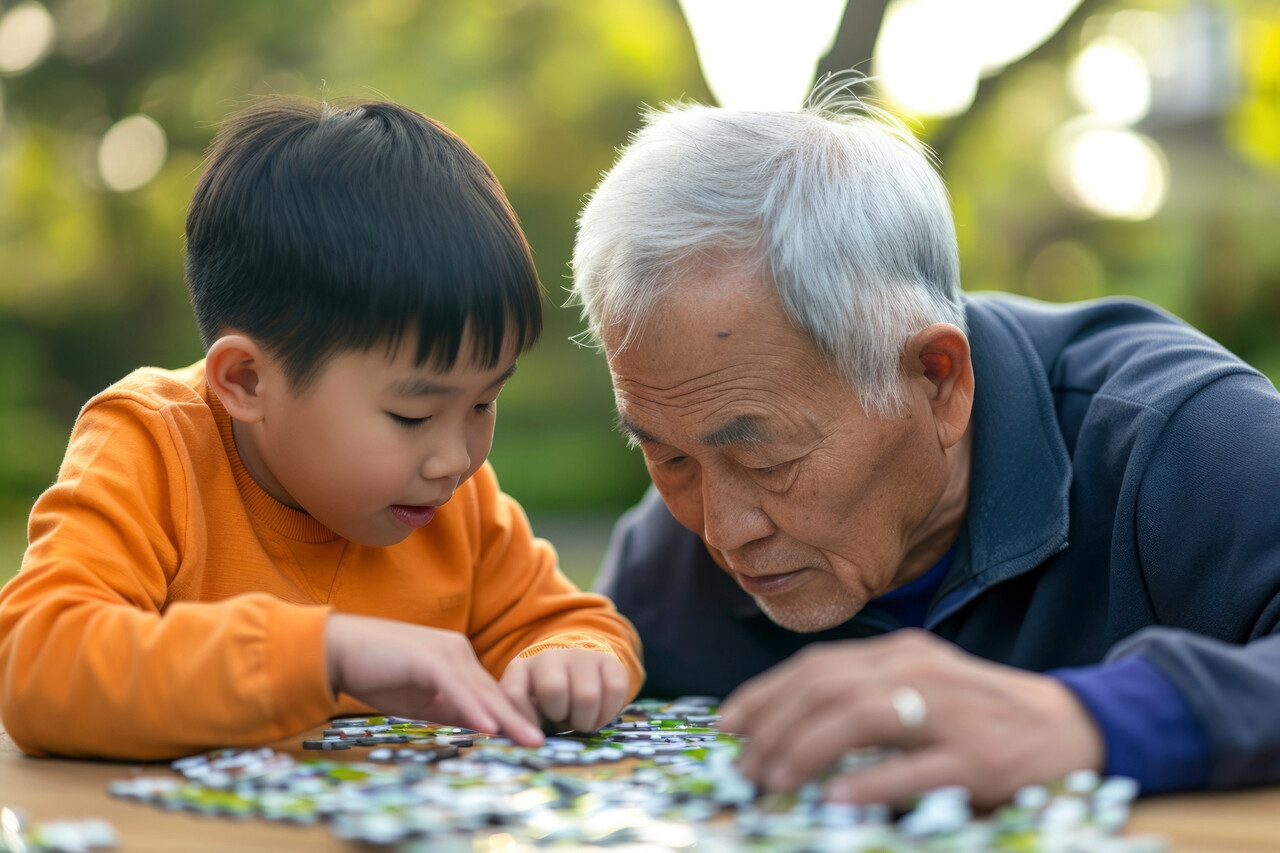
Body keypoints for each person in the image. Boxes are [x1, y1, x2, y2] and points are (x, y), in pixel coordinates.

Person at [572, 81, 1280, 808]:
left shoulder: (1180, 434)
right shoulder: (667, 564)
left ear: (938, 379)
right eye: (671, 457)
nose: (722, 529)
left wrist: (1087, 720)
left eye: (767, 459)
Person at [0, 97, 642, 760]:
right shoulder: (154, 445)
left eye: (483, 403)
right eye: (412, 414)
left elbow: (563, 621)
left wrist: (572, 659)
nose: (456, 458)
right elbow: (37, 663)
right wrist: (328, 651)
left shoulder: (448, 501)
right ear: (247, 380)